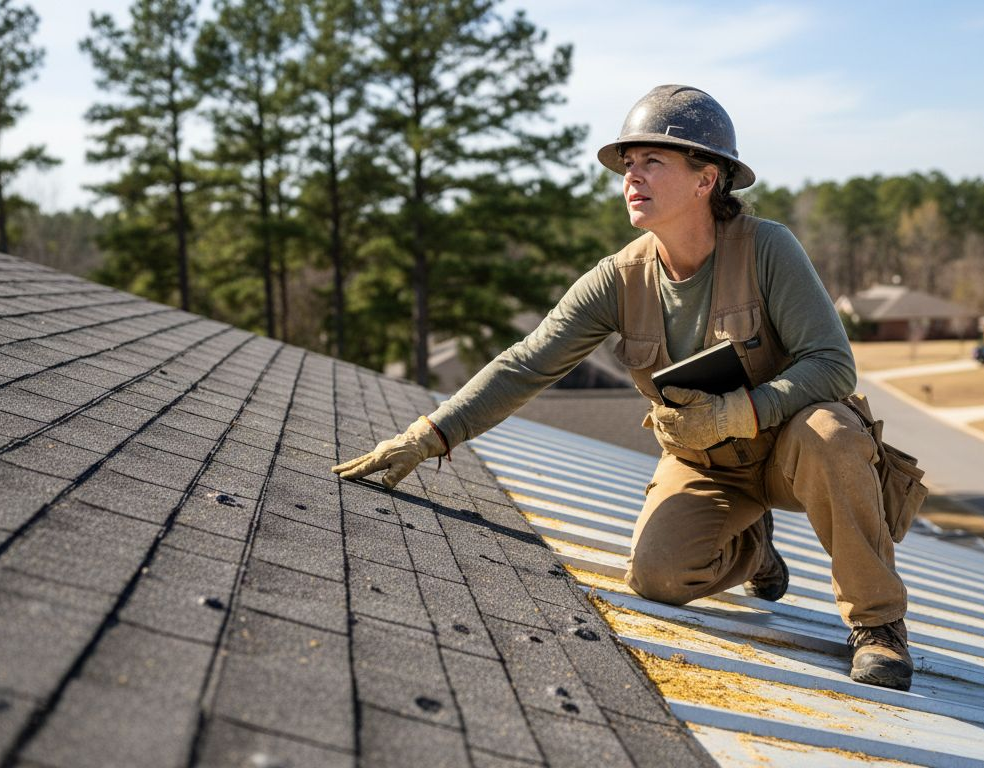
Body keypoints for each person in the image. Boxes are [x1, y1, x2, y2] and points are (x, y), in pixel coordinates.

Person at [332, 85, 915, 691]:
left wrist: (740, 411)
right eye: (628, 164)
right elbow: (526, 363)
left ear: (705, 180)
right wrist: (429, 434)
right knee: (656, 577)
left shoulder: (768, 249)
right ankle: (755, 551)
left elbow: (832, 364)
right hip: (709, 464)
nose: (631, 178)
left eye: (652, 163)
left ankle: (878, 627)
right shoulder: (619, 278)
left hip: (795, 453)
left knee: (833, 429)